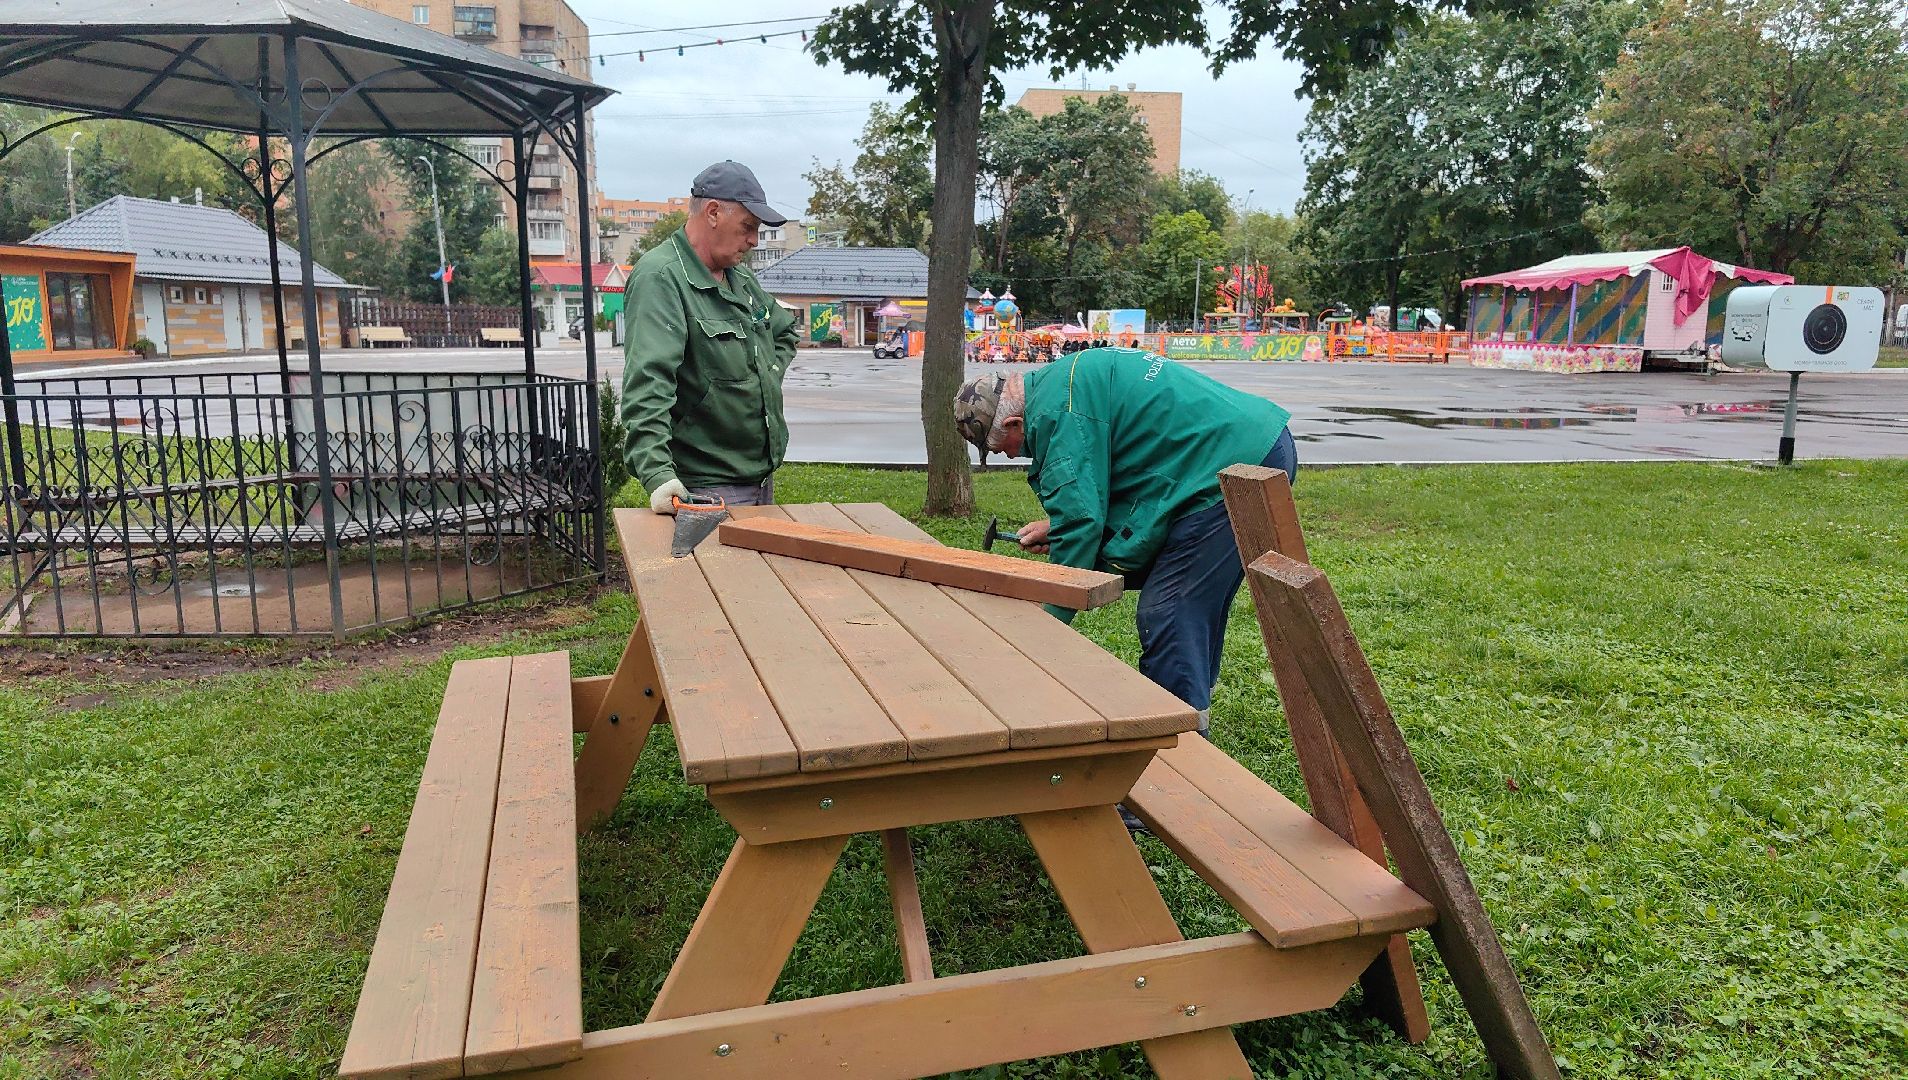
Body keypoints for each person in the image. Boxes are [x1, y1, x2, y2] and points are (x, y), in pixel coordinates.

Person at [954, 347, 1298, 738]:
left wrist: (1046, 625)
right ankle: (1191, 705)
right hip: (1256, 445)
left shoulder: (1054, 416)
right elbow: (1114, 478)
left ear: (1015, 422)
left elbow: (1082, 520)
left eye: (1003, 449)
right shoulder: (1062, 385)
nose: (1012, 456)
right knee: (1194, 603)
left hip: (1231, 467)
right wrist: (1059, 528)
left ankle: (1182, 747)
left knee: (1169, 608)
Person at [623, 161, 799, 512]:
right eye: (748, 227)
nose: (753, 240)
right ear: (714, 212)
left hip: (759, 479)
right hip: (704, 487)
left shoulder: (740, 279)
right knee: (715, 570)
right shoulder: (662, 278)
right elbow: (648, 382)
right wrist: (657, 473)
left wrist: (764, 373)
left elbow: (783, 331)